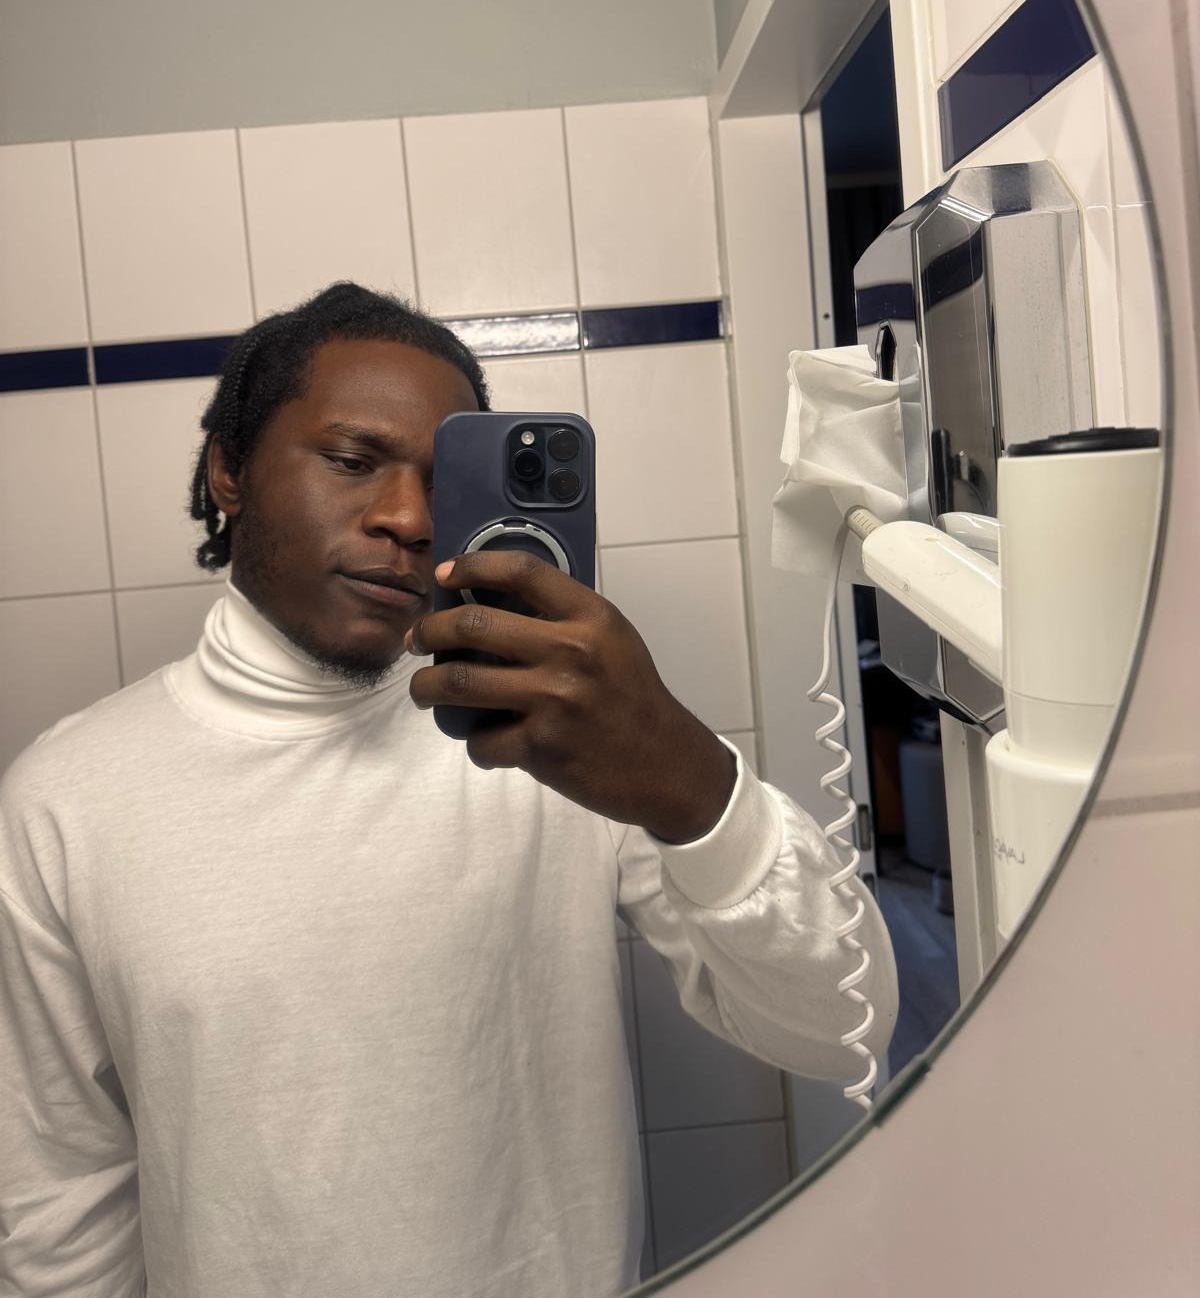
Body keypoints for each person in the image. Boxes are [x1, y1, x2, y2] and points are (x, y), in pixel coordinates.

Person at [0, 282, 897, 1298]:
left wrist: (689, 781)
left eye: (442, 482)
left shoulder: (560, 735)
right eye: (353, 461)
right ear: (229, 471)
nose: (409, 519)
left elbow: (844, 1029)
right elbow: (58, 1200)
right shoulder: (66, 802)